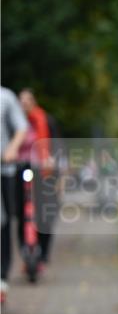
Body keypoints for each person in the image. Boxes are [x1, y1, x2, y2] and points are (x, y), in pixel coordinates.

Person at [15, 89, 59, 274]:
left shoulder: (45, 120)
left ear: (34, 101)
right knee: (21, 212)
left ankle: (42, 252)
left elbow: (56, 145)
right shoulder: (15, 121)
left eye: (28, 100)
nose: (24, 103)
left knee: (44, 212)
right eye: (21, 100)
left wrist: (53, 163)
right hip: (20, 168)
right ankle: (25, 251)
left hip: (42, 170)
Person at [1, 87, 28, 304]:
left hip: (4, 170)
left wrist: (12, 148)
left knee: (4, 221)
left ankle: (2, 278)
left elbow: (21, 128)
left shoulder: (6, 97)